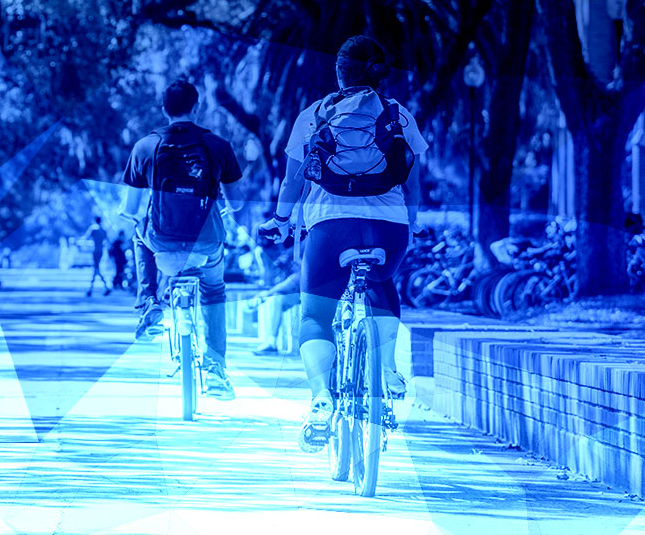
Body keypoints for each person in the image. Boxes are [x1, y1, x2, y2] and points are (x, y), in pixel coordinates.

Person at [259, 35, 428, 451]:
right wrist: (414, 224)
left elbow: (292, 182)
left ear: (339, 72)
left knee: (315, 316)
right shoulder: (399, 116)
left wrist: (281, 222)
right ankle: (387, 369)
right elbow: (413, 183)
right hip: (389, 229)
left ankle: (320, 399)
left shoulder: (313, 115)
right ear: (380, 73)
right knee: (383, 285)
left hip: (330, 228)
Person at [120, 79, 244, 401]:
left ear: (164, 109)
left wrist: (141, 219)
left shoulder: (145, 147)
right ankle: (216, 367)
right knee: (214, 290)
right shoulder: (218, 145)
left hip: (160, 240)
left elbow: (131, 209)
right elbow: (238, 203)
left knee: (138, 235)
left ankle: (149, 303)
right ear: (196, 107)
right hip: (207, 241)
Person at [82, 217, 110, 296]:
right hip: (101, 251)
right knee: (96, 268)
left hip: (95, 250)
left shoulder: (93, 229)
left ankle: (101, 287)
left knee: (96, 268)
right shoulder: (103, 230)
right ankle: (100, 287)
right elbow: (107, 241)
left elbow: (86, 238)